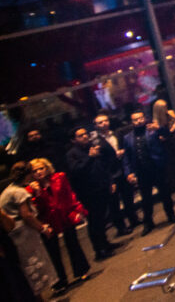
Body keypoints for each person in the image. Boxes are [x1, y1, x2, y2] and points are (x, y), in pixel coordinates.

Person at [27, 158, 89, 291]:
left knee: (72, 242)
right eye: (35, 171)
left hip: (65, 215)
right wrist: (37, 193)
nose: (39, 172)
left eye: (41, 168)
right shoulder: (30, 189)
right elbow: (36, 209)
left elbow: (69, 194)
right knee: (52, 251)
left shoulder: (59, 177)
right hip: (48, 220)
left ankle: (81, 270)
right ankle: (60, 280)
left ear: (47, 168)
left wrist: (77, 209)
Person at [0, 162, 55, 296]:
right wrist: (42, 228)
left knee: (26, 268)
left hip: (12, 233)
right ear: (27, 174)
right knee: (33, 267)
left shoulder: (8, 190)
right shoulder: (20, 192)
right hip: (23, 233)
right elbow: (27, 215)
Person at [121, 111, 175, 235]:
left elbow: (168, 134)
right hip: (141, 172)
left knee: (165, 193)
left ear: (145, 118)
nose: (139, 121)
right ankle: (148, 223)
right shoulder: (127, 138)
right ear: (132, 122)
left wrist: (159, 128)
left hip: (156, 167)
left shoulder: (152, 130)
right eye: (136, 119)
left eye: (141, 118)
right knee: (146, 199)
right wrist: (128, 173)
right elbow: (126, 157)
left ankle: (171, 215)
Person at [64, 125, 117, 258]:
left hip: (101, 187)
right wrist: (89, 157)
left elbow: (103, 166)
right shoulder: (72, 154)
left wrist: (110, 181)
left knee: (103, 218)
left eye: (85, 134)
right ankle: (99, 249)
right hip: (88, 193)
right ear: (73, 140)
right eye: (80, 135)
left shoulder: (92, 147)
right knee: (94, 221)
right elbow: (75, 171)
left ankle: (105, 243)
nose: (85, 136)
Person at [93, 112, 137, 236]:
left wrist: (123, 153)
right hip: (110, 174)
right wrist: (114, 156)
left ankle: (134, 219)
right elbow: (100, 161)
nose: (104, 123)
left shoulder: (117, 133)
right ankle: (121, 227)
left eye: (105, 120)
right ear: (96, 126)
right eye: (100, 122)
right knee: (114, 203)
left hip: (122, 169)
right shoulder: (96, 141)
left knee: (128, 196)